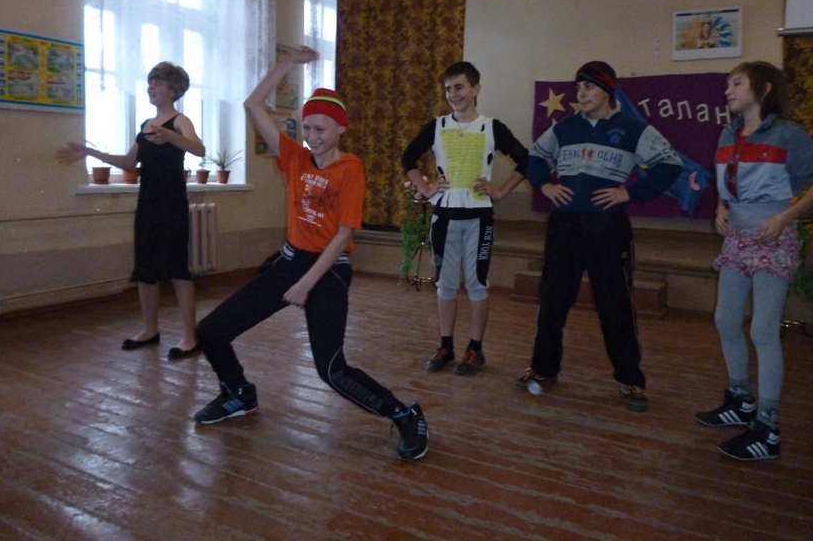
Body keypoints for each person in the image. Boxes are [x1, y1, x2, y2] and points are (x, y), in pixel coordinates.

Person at [192, 46, 428, 462]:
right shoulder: (294, 158)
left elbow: (345, 233)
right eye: (306, 127)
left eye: (321, 128)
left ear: (340, 128)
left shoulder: (350, 168)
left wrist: (306, 283)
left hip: (328, 269)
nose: (312, 136)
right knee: (211, 331)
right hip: (289, 262)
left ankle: (404, 415)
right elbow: (253, 105)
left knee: (331, 368)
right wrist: (285, 65)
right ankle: (238, 393)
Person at [515, 61, 682, 411]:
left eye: (589, 87)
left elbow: (670, 164)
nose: (582, 94)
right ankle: (543, 369)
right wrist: (545, 185)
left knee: (615, 303)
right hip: (565, 226)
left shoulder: (632, 128)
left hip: (608, 227)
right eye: (578, 88)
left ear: (608, 91)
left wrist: (630, 193)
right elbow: (535, 158)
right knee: (553, 300)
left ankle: (630, 379)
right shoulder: (564, 127)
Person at [696, 61, 813, 461]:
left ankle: (768, 428)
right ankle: (741, 400)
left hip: (772, 239)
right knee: (726, 320)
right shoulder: (728, 133)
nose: (728, 90)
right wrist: (721, 208)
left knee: (763, 331)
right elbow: (725, 180)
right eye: (727, 84)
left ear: (763, 89)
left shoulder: (788, 134)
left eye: (737, 83)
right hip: (737, 240)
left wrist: (783, 218)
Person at [57, 62, 205, 360]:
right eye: (150, 81)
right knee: (146, 266)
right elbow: (128, 163)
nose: (151, 86)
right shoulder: (146, 125)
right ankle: (150, 329)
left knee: (177, 267)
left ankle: (190, 337)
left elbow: (199, 149)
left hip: (171, 204)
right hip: (148, 203)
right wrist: (89, 151)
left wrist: (171, 137)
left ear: (173, 90)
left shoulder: (180, 120)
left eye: (158, 83)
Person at [402, 61, 528, 376]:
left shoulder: (492, 127)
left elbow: (526, 160)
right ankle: (445, 347)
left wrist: (500, 191)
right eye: (448, 89)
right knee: (445, 283)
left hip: (478, 219)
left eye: (459, 87)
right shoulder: (437, 126)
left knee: (476, 282)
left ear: (475, 89)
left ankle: (475, 350)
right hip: (444, 217)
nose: (453, 94)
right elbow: (408, 158)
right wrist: (426, 190)